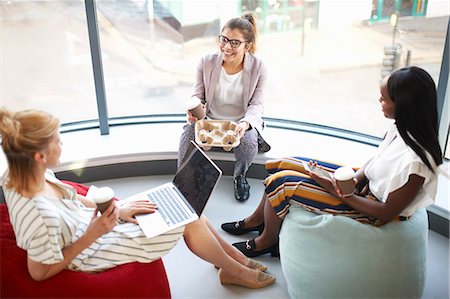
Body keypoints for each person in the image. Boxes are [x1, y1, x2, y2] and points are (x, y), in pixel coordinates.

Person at [0, 108, 276, 288]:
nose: (62, 144)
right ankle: (236, 271)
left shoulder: (22, 174)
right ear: (39, 156)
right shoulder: (38, 214)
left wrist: (118, 208)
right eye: (57, 141)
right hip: (93, 248)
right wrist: (95, 233)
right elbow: (39, 272)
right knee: (188, 217)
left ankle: (229, 261)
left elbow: (70, 197)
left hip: (95, 225)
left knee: (186, 207)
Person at [221, 66, 443, 257]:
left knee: (282, 183)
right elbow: (375, 161)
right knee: (283, 163)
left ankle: (267, 241)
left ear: (404, 105)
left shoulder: (417, 164)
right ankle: (256, 220)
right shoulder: (401, 128)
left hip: (371, 211)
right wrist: (353, 179)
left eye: (384, 98)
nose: (379, 101)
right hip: (362, 188)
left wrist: (338, 191)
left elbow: (385, 212)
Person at [177, 13, 270, 202]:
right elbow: (198, 94)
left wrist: (245, 124)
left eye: (235, 43)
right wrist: (196, 110)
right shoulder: (206, 62)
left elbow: (257, 104)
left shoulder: (259, 67)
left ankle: (240, 176)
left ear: (248, 46)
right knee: (187, 137)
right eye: (224, 39)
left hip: (240, 121)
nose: (227, 47)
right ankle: (184, 180)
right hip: (209, 120)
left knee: (248, 144)